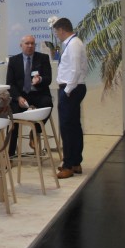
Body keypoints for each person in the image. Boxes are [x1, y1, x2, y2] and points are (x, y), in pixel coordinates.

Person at [5, 35, 53, 156]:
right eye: (27, 43)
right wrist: (18, 97)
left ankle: (35, 131)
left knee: (48, 104)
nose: (30, 46)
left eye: (32, 43)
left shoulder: (43, 58)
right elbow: (10, 83)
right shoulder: (14, 61)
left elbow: (48, 78)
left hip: (39, 93)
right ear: (21, 45)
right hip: (21, 96)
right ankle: (10, 154)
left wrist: (40, 79)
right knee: (13, 116)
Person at [53, 17, 88, 179]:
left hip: (71, 89)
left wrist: (67, 90)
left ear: (61, 30)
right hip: (74, 88)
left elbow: (75, 70)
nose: (56, 35)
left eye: (56, 31)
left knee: (67, 128)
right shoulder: (74, 43)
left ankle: (68, 165)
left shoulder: (73, 44)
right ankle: (75, 162)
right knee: (73, 126)